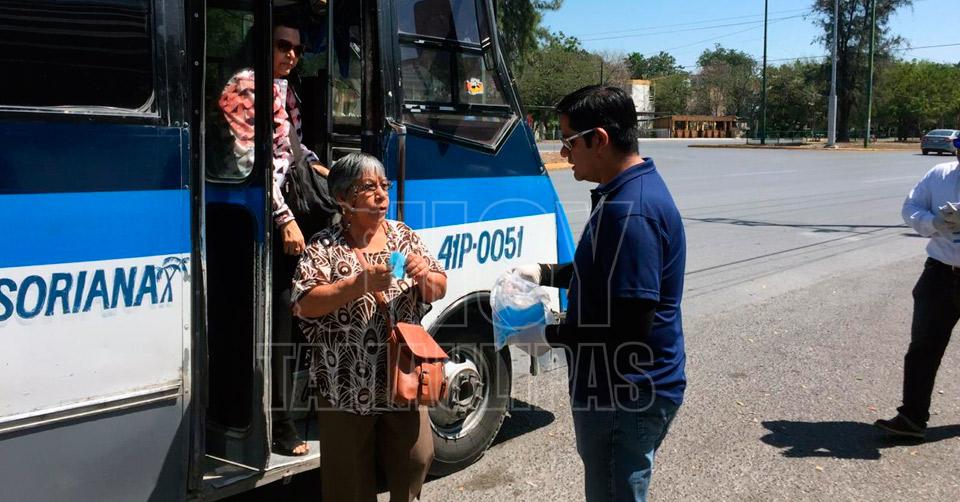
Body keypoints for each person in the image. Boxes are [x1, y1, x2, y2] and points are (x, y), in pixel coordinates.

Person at [512, 85, 686, 502]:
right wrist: (544, 273)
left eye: (569, 141)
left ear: (600, 139)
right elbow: (604, 273)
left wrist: (549, 336)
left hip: (624, 393)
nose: (564, 153)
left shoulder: (633, 211)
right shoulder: (622, 192)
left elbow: (629, 327)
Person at [292, 152, 447, 502]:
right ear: (342, 198)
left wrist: (425, 276)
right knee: (349, 482)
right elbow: (304, 304)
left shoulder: (403, 236)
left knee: (417, 458)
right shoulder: (324, 245)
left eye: (384, 186)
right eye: (368, 187)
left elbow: (439, 287)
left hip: (402, 378)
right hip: (345, 383)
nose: (381, 195)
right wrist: (358, 284)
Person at [218, 18, 331, 456]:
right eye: (283, 46)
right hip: (262, 216)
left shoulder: (285, 88)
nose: (291, 55)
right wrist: (284, 219)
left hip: (290, 208)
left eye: (297, 49)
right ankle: (280, 424)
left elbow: (290, 148)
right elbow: (250, 161)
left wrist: (321, 167)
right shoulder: (246, 87)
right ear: (262, 45)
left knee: (301, 309)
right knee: (282, 318)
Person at [875, 136, 960, 439]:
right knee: (923, 347)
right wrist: (935, 222)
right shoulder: (940, 175)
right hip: (940, 273)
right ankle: (911, 418)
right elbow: (910, 207)